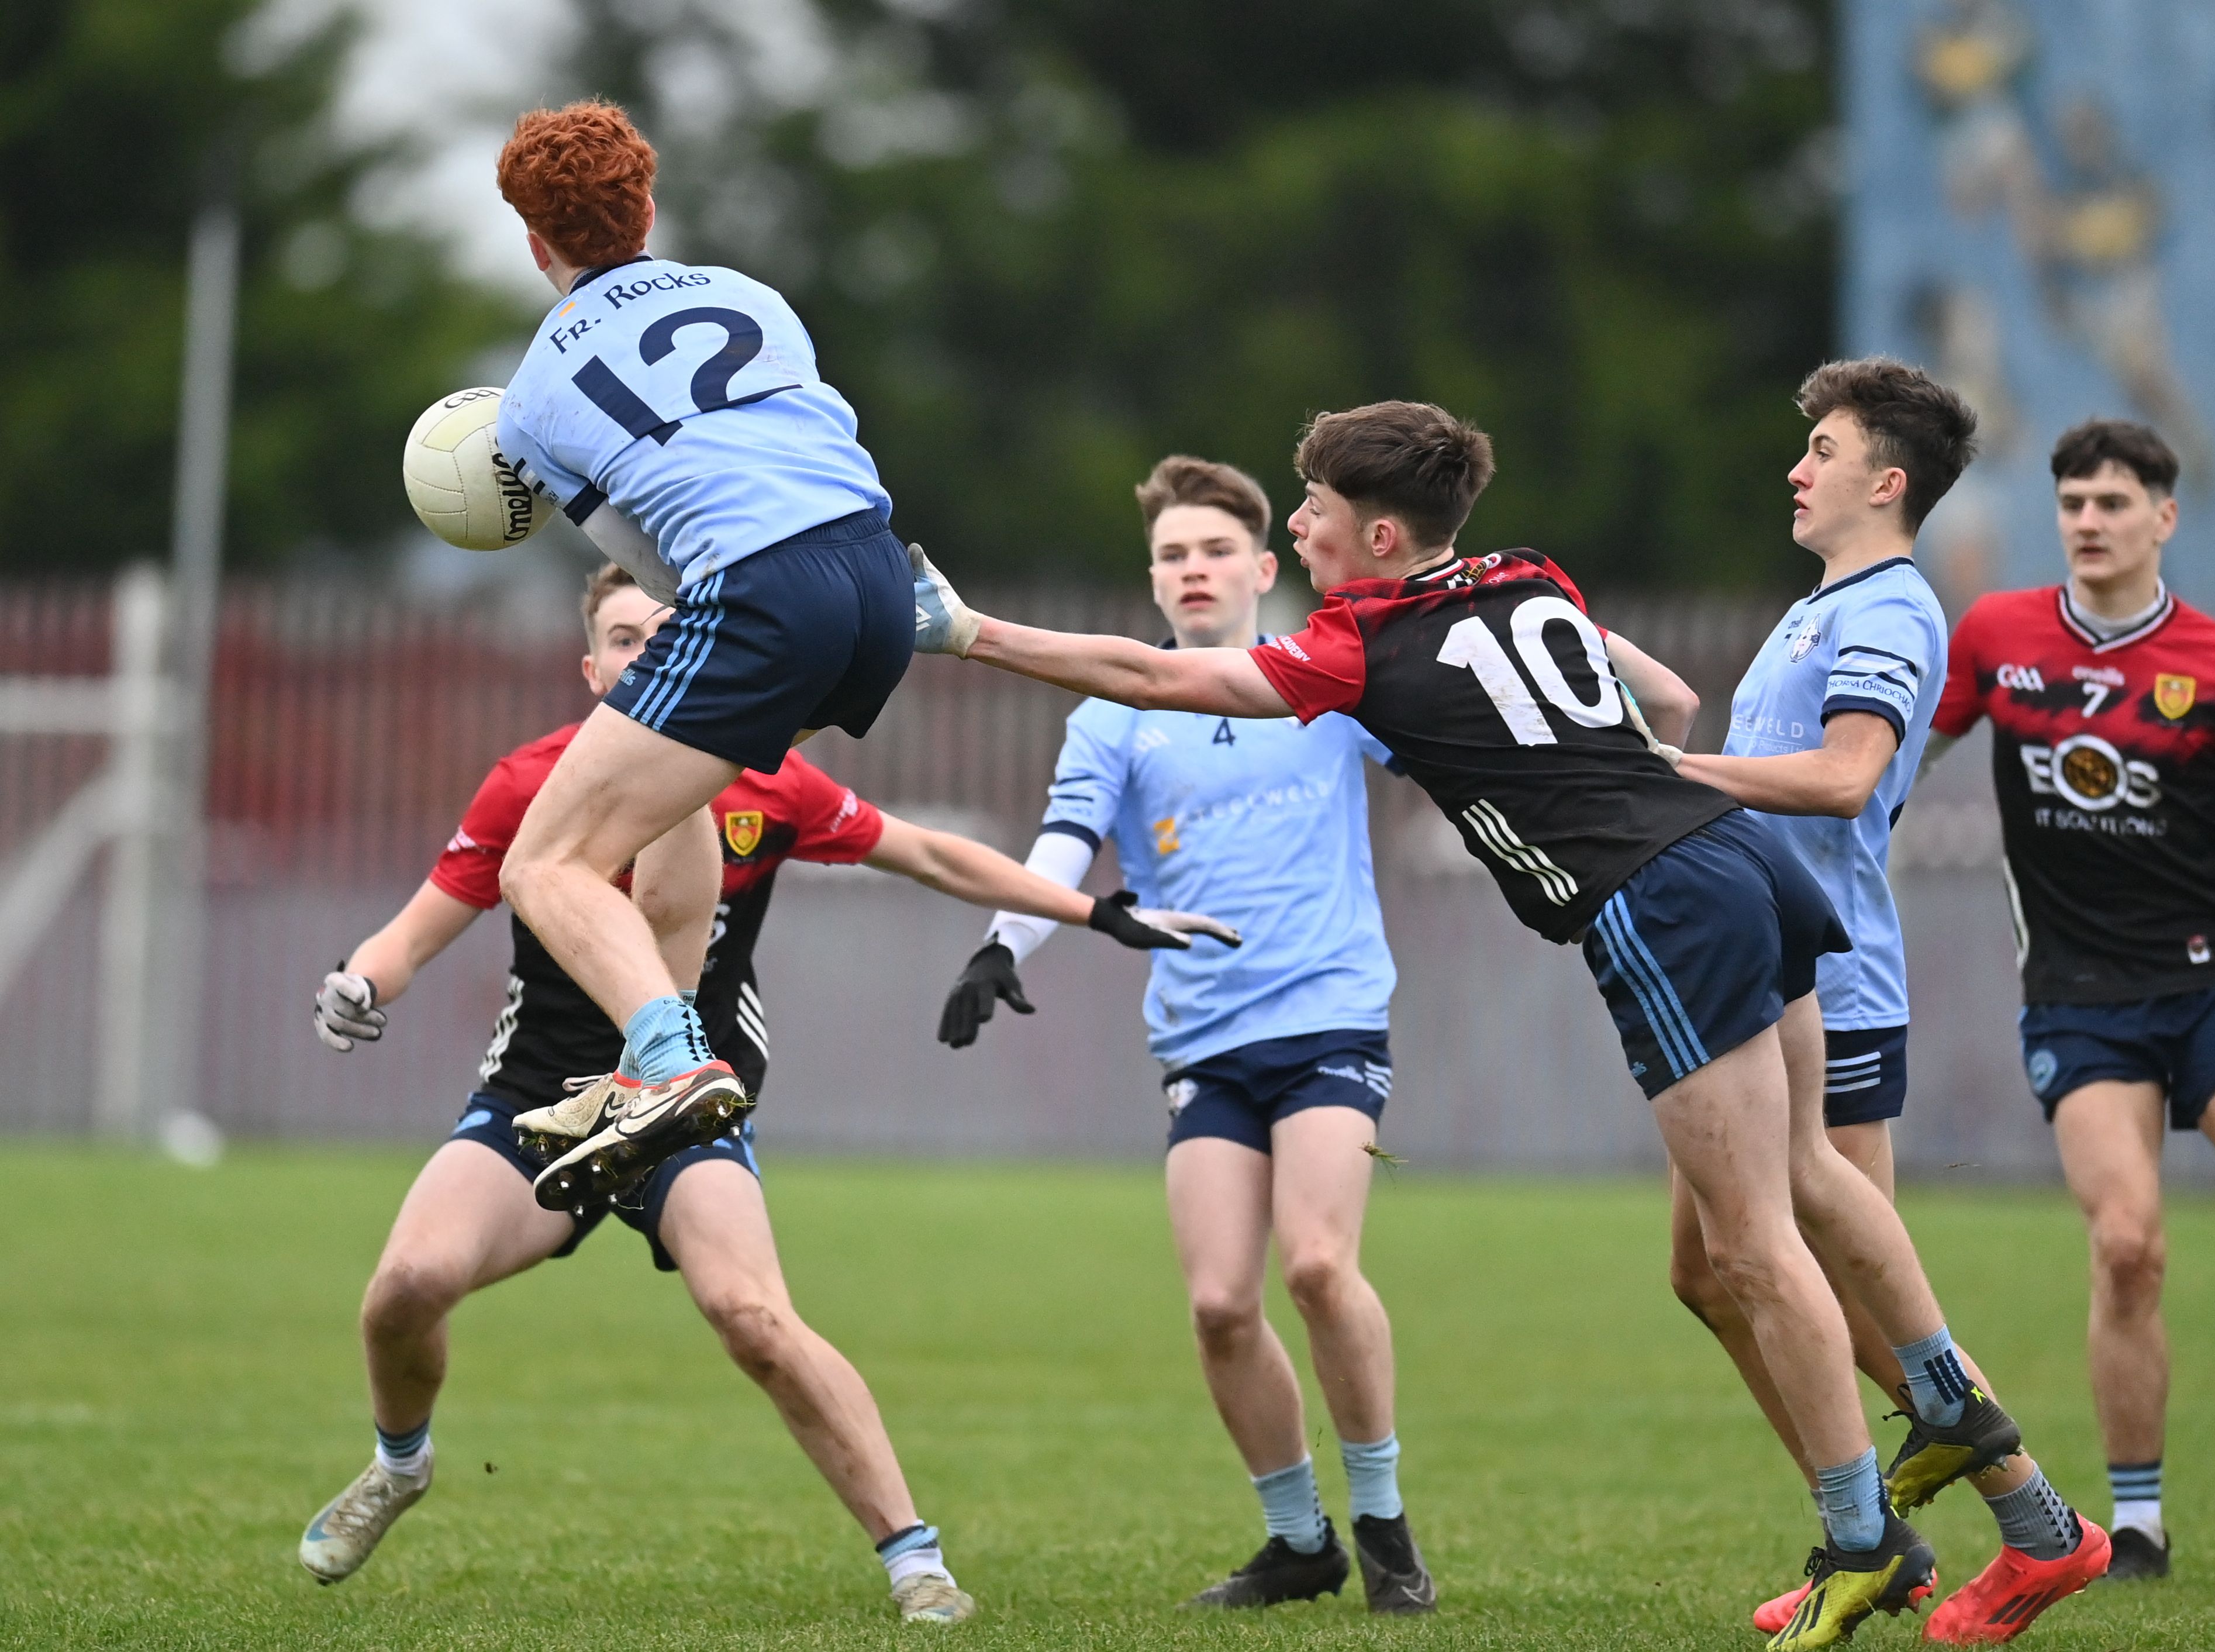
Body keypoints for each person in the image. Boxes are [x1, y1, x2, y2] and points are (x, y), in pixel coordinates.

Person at [909, 398, 2069, 1648]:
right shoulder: (1526, 570)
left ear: (1387, 536)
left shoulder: (1357, 649)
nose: (1295, 526)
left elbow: (1151, 674)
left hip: (1657, 904)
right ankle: (1971, 1435)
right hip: (1742, 863)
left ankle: (1859, 1541)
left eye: (1315, 510)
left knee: (1748, 1243)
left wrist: (967, 631)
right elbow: (1667, 704)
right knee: (1800, 1184)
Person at [298, 564, 1235, 1621]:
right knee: (406, 1285)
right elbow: (415, 930)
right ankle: (400, 1462)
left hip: (685, 1105)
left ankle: (914, 1559)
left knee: (752, 1314)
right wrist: (359, 983)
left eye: (668, 633)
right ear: (590, 665)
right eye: (624, 637)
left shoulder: (768, 782)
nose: (647, 651)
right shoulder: (529, 784)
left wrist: (1092, 912)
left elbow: (927, 852)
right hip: (541, 1102)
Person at [939, 456, 1492, 1613]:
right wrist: (1005, 944)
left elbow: (1462, 748)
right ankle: (1300, 1544)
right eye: (1173, 556)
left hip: (1330, 1015)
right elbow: (1063, 845)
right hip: (1202, 1043)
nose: (1194, 571)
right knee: (1218, 1305)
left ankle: (1385, 1526)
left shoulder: (1332, 683)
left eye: (1213, 552)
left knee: (1319, 1265)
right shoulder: (1117, 714)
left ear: (1263, 567)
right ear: (1154, 581)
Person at [1671, 360, 2107, 1642]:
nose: (1795, 470)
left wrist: (1665, 775)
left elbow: (1847, 777)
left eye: (1820, 448)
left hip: (1828, 981)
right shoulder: (1823, 604)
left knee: (1824, 1280)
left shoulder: (1891, 611)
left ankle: (2021, 1531)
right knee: (1707, 1270)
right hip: (1758, 967)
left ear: (1886, 480)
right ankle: (1890, 1532)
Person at [470, 102, 903, 1211]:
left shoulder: (526, 404)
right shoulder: (752, 296)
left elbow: (657, 572)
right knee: (674, 798)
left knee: (544, 863)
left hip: (767, 598)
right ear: (649, 207)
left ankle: (673, 1055)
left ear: (533, 241)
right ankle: (632, 1074)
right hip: (877, 579)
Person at [1924, 418, 2215, 1582]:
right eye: (2073, 504)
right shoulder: (1996, 636)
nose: (2088, 522)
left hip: (2213, 983)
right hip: (2079, 999)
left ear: (2163, 519)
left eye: (2112, 504)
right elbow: (1893, 764)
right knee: (2128, 1244)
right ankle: (2134, 1523)